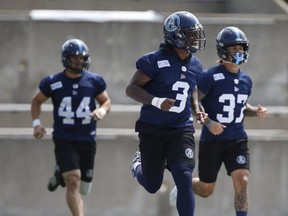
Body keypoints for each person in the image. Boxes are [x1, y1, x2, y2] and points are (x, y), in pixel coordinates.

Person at [169, 26, 268, 216]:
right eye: (234, 48)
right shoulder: (210, 76)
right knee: (206, 189)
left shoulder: (246, 79)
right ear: (223, 50)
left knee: (243, 181)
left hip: (237, 139)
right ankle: (184, 185)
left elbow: (240, 107)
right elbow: (194, 101)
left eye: (241, 48)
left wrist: (256, 111)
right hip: (213, 140)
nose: (239, 52)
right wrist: (208, 123)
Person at [126, 11, 207, 216]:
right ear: (176, 36)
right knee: (153, 185)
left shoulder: (196, 64)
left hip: (181, 129)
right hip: (153, 129)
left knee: (184, 176)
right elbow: (132, 88)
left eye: (196, 34)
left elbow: (192, 89)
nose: (195, 39)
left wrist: (197, 108)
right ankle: (137, 165)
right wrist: (157, 100)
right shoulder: (154, 60)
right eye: (190, 34)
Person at [31, 38, 111, 216]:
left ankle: (60, 171)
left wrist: (102, 111)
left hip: (87, 138)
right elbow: (36, 101)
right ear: (66, 59)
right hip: (64, 138)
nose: (79, 61)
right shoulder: (53, 82)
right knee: (73, 180)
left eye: (82, 57)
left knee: (84, 188)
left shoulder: (94, 81)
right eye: (75, 57)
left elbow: (106, 101)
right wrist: (36, 124)